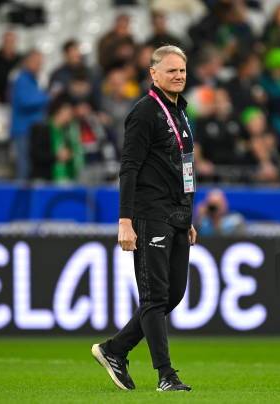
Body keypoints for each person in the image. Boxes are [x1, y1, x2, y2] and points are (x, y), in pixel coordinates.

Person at [91, 45, 196, 392]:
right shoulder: (144, 112)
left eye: (181, 70)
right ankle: (166, 375)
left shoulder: (181, 112)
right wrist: (125, 220)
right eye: (171, 71)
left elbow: (183, 167)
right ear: (153, 74)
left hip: (177, 215)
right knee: (154, 297)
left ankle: (115, 349)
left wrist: (188, 214)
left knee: (174, 295)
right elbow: (129, 169)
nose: (178, 76)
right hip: (150, 215)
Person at [10, 49, 49, 180]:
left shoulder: (33, 80)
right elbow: (24, 101)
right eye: (36, 62)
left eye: (40, 62)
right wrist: (46, 97)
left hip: (33, 131)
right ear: (27, 62)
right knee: (24, 167)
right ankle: (20, 197)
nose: (39, 65)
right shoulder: (21, 79)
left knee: (30, 168)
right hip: (23, 130)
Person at [29, 95, 82, 182]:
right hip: (44, 179)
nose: (71, 115)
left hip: (65, 178)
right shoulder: (41, 129)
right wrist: (56, 156)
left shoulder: (68, 132)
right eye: (69, 112)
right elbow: (36, 155)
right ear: (59, 111)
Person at [0, 30, 21, 102]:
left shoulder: (21, 62)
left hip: (15, 101)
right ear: (2, 42)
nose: (9, 44)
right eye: (7, 41)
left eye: (11, 41)